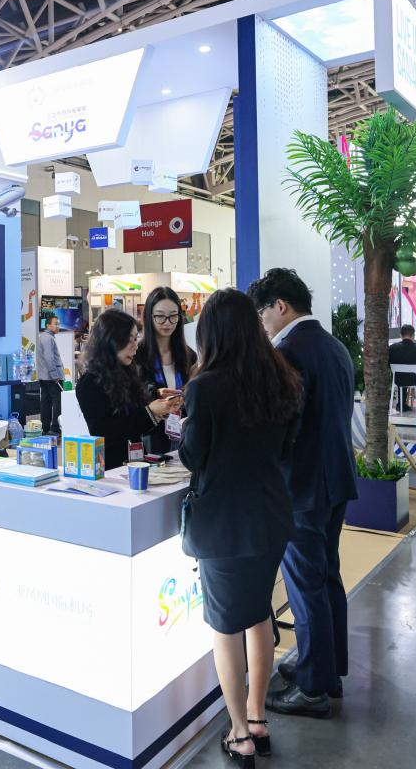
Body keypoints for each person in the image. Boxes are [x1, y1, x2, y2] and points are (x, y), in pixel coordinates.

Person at [178, 288, 303, 765]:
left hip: (224, 525)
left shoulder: (205, 387)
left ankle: (238, 734)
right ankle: (257, 719)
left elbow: (193, 456)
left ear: (212, 335)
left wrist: (184, 426)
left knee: (225, 627)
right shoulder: (281, 378)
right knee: (258, 616)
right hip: (270, 517)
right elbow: (285, 449)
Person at [247, 268, 357, 719]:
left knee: (305, 585)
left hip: (301, 486)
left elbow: (281, 425)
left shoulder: (287, 352)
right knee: (327, 577)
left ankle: (312, 689)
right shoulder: (334, 346)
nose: (262, 324)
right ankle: (327, 670)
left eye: (262, 314)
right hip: (335, 479)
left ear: (280, 306)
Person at [76, 310, 179, 470]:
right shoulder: (89, 383)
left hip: (137, 463)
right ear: (110, 340)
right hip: (112, 469)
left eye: (136, 338)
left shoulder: (126, 373)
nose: (135, 346)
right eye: (129, 339)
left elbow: (134, 412)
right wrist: (151, 412)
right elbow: (106, 432)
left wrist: (156, 398)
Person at [136, 287, 197, 456]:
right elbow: (134, 397)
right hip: (149, 440)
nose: (167, 322)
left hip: (184, 437)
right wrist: (155, 394)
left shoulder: (189, 355)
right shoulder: (137, 355)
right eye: (160, 316)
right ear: (149, 317)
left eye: (173, 316)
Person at [36, 310, 65, 435]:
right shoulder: (48, 338)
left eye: (59, 324)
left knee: (46, 402)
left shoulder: (42, 337)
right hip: (52, 378)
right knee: (58, 403)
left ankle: (46, 428)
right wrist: (55, 375)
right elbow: (49, 358)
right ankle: (55, 428)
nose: (58, 326)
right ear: (48, 325)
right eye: (56, 324)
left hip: (44, 377)